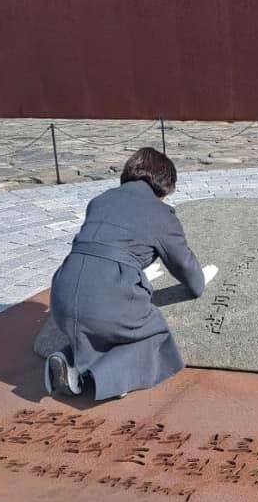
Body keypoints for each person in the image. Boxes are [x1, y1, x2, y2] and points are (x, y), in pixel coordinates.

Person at [44, 147, 216, 401]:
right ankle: (105, 378)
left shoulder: (101, 200)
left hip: (61, 295)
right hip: (107, 302)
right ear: (165, 186)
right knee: (152, 336)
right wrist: (200, 281)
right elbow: (188, 273)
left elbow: (106, 247)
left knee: (99, 329)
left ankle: (68, 359)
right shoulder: (161, 214)